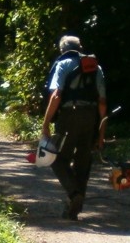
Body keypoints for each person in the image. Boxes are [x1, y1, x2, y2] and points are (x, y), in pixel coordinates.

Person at [41, 35, 107, 220]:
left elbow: (56, 96)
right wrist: (101, 133)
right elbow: (102, 102)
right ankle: (74, 209)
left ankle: (74, 194)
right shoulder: (96, 67)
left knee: (57, 159)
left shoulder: (62, 65)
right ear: (80, 47)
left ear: (62, 50)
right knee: (83, 163)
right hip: (91, 117)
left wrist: (46, 124)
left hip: (69, 116)